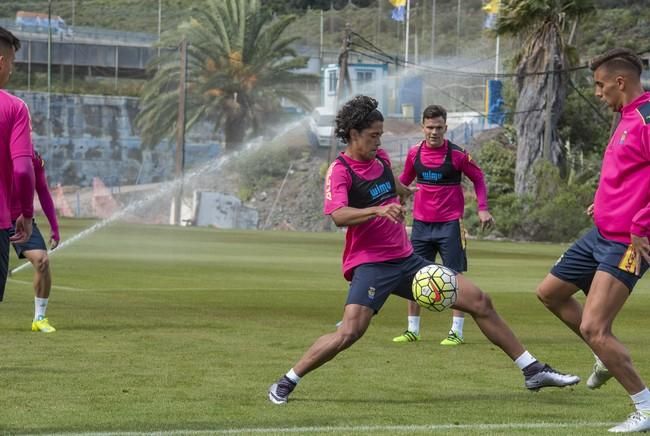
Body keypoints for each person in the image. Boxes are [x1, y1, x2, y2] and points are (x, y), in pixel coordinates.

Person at [268, 95, 579, 405]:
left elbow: (389, 181)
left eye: (381, 135)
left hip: (407, 260)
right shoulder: (340, 171)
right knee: (350, 332)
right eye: (373, 135)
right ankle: (287, 380)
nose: (379, 141)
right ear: (353, 135)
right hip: (372, 265)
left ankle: (531, 370)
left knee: (480, 300)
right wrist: (378, 211)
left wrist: (403, 190)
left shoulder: (381, 160)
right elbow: (337, 215)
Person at [535, 48, 650, 433]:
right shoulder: (625, 117)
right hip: (600, 234)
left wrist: (642, 222)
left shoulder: (648, 118)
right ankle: (602, 354)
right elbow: (629, 176)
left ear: (621, 81)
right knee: (550, 292)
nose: (597, 93)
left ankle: (645, 406)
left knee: (595, 328)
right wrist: (601, 202)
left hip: (629, 245)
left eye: (601, 85)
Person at [392, 104, 494, 346]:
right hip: (421, 225)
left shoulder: (458, 155)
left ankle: (456, 332)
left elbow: (478, 178)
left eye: (438, 127)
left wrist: (482, 208)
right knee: (415, 277)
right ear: (422, 127)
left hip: (450, 225)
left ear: (446, 127)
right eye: (429, 127)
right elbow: (404, 181)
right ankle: (412, 330)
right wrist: (396, 203)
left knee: (454, 277)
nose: (434, 132)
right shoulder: (414, 154)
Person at [0, 26, 35, 302]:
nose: (12, 69)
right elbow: (23, 169)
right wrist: (25, 214)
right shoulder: (14, 108)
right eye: (12, 62)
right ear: (1, 61)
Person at [10, 151, 60, 333]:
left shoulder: (34, 159)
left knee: (42, 261)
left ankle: (39, 317)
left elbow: (43, 191)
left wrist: (54, 227)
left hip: (20, 219)